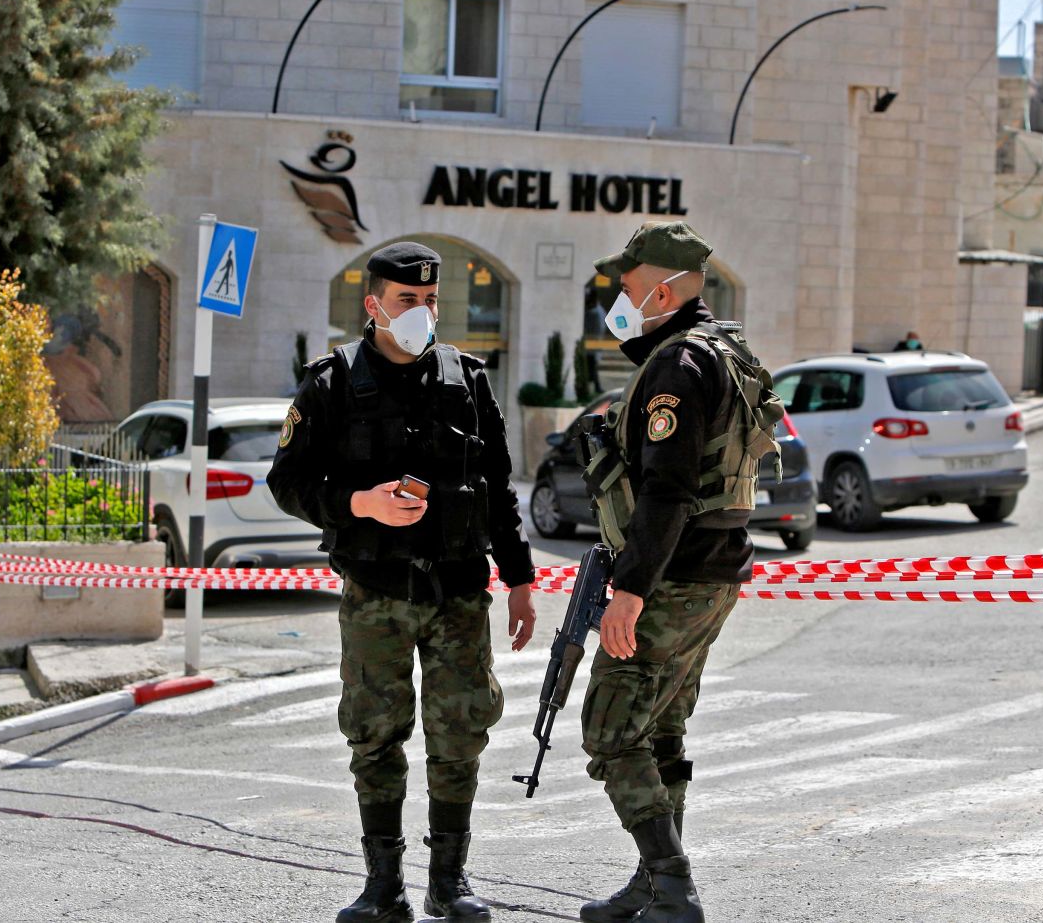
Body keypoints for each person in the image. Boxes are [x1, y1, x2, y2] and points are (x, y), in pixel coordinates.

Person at [267, 241, 537, 923]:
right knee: (375, 733)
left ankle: (450, 879)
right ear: (373, 305)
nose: (422, 312)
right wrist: (361, 502)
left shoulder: (468, 380)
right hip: (375, 592)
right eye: (406, 300)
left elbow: (498, 488)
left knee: (460, 732)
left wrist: (521, 578)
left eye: (431, 300)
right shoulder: (331, 383)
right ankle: (383, 885)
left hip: (458, 593)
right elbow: (287, 482)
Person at [576, 222, 782, 923]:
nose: (619, 298)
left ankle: (673, 880)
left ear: (662, 288)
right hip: (714, 573)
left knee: (610, 729)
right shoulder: (721, 351)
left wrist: (629, 589)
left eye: (629, 287)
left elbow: (667, 490)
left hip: (675, 575)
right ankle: (651, 883)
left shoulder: (677, 367)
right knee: (661, 728)